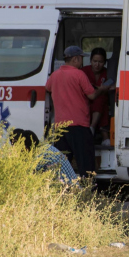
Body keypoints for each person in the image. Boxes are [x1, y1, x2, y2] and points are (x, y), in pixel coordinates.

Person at [46, 45, 112, 176]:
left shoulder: (54, 75)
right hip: (79, 126)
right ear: (75, 59)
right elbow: (92, 95)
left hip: (60, 127)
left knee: (61, 164)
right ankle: (87, 192)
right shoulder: (79, 74)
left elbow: (48, 89)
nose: (82, 62)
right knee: (86, 164)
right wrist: (102, 89)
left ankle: (58, 191)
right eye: (81, 58)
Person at [83, 47, 111, 142]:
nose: (97, 64)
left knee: (101, 99)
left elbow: (112, 85)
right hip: (86, 99)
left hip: (101, 100)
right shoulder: (83, 71)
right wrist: (100, 88)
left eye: (100, 62)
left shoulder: (108, 73)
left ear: (105, 62)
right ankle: (104, 135)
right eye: (95, 61)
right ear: (90, 60)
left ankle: (92, 127)